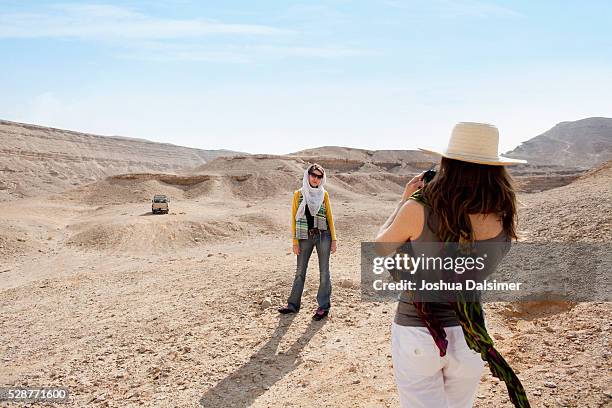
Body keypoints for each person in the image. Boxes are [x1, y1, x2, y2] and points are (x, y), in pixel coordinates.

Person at [375, 122, 529, 408]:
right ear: (495, 171)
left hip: (417, 332)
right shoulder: (503, 217)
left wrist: (404, 201)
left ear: (448, 163)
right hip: (469, 335)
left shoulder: (419, 208)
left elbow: (381, 248)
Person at [278, 163, 337, 321]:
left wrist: (334, 239)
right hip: (304, 237)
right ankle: (293, 305)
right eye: (313, 175)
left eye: (319, 176)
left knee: (324, 272)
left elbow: (330, 218)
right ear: (307, 175)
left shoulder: (324, 195)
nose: (316, 179)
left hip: (324, 236)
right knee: (299, 272)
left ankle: (323, 307)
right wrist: (295, 242)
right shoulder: (299, 194)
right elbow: (293, 218)